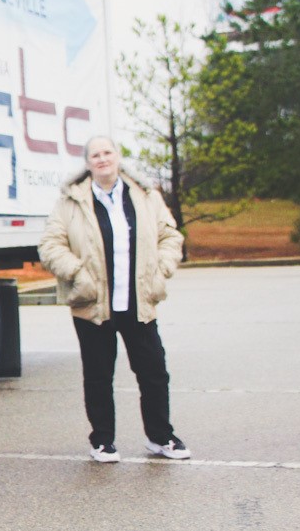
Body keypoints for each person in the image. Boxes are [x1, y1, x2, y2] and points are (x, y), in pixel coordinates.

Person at [38, 135, 189, 463]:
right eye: (95, 154)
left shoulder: (146, 197)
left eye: (107, 152)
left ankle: (161, 437)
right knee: (98, 375)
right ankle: (103, 441)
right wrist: (79, 274)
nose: (102, 159)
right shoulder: (71, 201)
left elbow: (170, 236)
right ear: (88, 162)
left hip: (139, 302)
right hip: (93, 304)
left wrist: (161, 269)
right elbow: (50, 245)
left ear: (118, 157)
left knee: (153, 372)